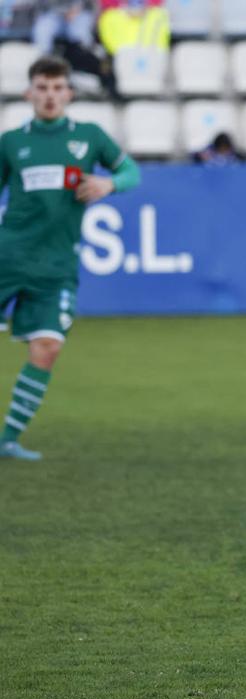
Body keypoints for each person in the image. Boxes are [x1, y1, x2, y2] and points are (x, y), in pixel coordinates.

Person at [0, 56, 140, 461]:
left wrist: (108, 182)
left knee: (47, 348)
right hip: (8, 258)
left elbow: (132, 173)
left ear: (69, 93)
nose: (49, 96)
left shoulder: (90, 136)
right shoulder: (11, 142)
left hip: (56, 266)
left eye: (57, 88)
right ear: (29, 92)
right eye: (42, 88)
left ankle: (8, 439)